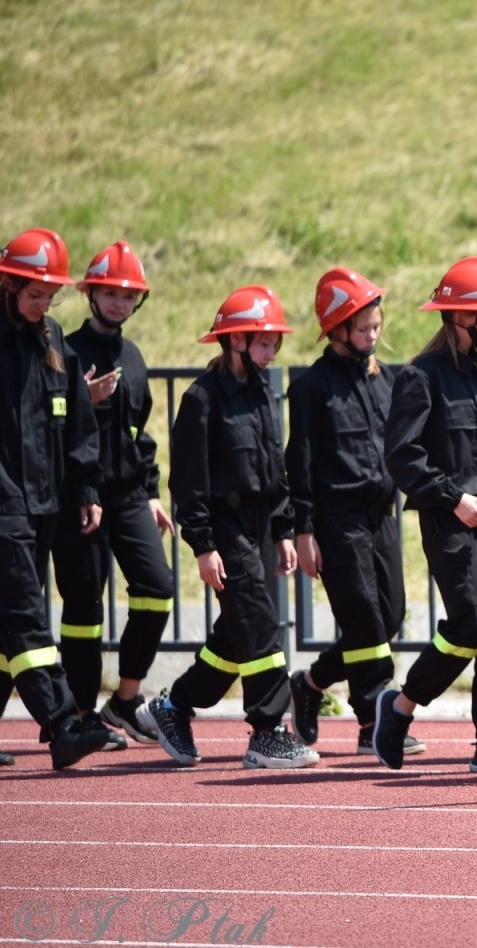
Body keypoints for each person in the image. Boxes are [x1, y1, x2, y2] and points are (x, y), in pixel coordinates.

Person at [141, 285, 314, 769]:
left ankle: (172, 707)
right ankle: (268, 731)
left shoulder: (262, 390)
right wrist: (203, 545)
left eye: (274, 343)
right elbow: (189, 481)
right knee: (259, 624)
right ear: (235, 340)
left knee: (237, 635)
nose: (271, 351)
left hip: (259, 527)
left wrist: (282, 531)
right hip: (224, 528)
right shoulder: (201, 399)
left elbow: (273, 469)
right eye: (263, 342)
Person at [371, 257, 477, 774]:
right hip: (449, 521)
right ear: (463, 317)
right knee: (469, 627)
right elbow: (402, 456)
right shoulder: (421, 376)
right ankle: (399, 708)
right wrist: (453, 498)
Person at [286, 268, 422, 759]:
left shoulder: (384, 379)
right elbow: (298, 461)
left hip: (381, 515)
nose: (371, 336)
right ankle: (373, 720)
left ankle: (311, 681)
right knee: (364, 619)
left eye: (376, 327)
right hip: (335, 519)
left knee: (389, 618)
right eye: (363, 329)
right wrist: (302, 531)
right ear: (337, 328)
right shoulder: (311, 387)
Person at [48, 241, 175, 750]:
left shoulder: (134, 355)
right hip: (78, 495)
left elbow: (138, 434)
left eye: (129, 296)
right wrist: (85, 400)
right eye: (111, 294)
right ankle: (82, 715)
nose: (120, 304)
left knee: (158, 588)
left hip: (126, 497)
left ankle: (123, 702)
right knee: (83, 609)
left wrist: (151, 492)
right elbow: (52, 429)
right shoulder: (66, 351)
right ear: (91, 294)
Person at [0, 228, 111, 770]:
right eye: (33, 294)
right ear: (8, 285)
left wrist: (86, 487)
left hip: (44, 502)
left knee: (9, 621)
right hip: (5, 507)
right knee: (25, 615)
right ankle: (64, 724)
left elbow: (76, 423)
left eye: (49, 296)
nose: (42, 305)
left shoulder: (51, 339)